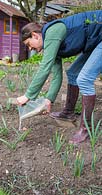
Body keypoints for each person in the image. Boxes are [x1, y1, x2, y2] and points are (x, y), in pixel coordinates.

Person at [17, 10, 102, 144]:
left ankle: (86, 129)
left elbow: (44, 67)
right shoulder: (51, 46)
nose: (30, 49)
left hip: (100, 38)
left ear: (35, 36)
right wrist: (48, 100)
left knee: (84, 79)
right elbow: (56, 76)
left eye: (28, 44)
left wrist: (28, 96)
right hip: (95, 41)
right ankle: (68, 112)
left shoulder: (52, 32)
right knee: (73, 73)